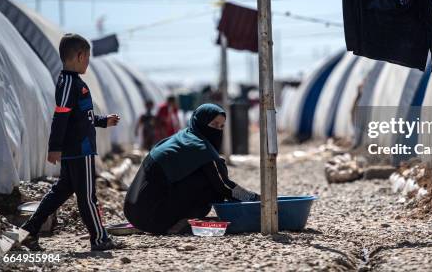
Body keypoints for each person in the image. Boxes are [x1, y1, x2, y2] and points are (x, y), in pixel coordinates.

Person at [22, 34, 123, 251]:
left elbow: (81, 117)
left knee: (61, 191)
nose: (88, 62)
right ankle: (100, 239)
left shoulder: (75, 83)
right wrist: (55, 147)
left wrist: (104, 121)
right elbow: (61, 115)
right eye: (87, 57)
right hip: (80, 150)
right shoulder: (69, 83)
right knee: (87, 197)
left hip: (77, 149)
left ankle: (30, 231)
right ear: (79, 56)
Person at [123, 103, 259, 234]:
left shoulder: (184, 138)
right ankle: (176, 222)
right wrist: (254, 199)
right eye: (213, 124)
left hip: (134, 213)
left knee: (209, 174)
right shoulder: (200, 147)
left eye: (221, 126)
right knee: (212, 186)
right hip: (151, 217)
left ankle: (174, 219)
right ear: (200, 123)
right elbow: (224, 186)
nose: (217, 130)